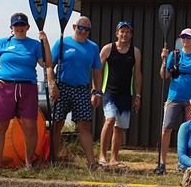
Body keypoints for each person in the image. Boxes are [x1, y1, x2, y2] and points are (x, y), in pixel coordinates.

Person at [0, 12, 55, 173]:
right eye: (16, 25)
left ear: (27, 27)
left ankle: (29, 163)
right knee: (0, 127)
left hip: (27, 88)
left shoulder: (35, 44)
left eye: (22, 25)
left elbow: (47, 64)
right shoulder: (2, 43)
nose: (19, 28)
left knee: (31, 127)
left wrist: (46, 43)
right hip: (5, 87)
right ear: (11, 28)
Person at [50, 16, 103, 168]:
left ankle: (91, 162)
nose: (83, 31)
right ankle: (53, 158)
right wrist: (53, 84)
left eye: (87, 29)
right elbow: (49, 66)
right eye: (80, 27)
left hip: (82, 89)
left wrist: (97, 91)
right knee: (57, 123)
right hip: (62, 88)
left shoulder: (93, 47)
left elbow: (97, 70)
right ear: (74, 26)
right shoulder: (62, 43)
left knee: (84, 126)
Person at [156, 28, 191, 175]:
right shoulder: (175, 54)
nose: (185, 40)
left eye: (188, 37)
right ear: (180, 39)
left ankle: (186, 163)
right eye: (183, 37)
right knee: (166, 129)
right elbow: (164, 75)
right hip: (174, 97)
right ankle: (162, 163)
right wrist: (164, 60)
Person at [98, 21, 142, 169]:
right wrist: (95, 90)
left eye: (127, 32)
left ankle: (113, 159)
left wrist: (138, 96)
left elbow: (137, 74)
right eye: (122, 31)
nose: (124, 34)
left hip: (126, 94)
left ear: (131, 34)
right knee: (110, 120)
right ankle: (102, 156)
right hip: (109, 92)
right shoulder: (108, 49)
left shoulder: (135, 52)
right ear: (117, 33)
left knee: (119, 127)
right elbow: (97, 70)